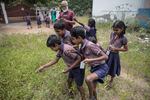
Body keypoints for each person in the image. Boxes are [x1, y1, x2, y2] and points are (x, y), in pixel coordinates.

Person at [36, 35, 86, 100]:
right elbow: (55, 60)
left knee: (79, 85)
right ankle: (71, 93)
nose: (52, 50)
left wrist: (69, 68)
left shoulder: (66, 50)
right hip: (72, 67)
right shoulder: (61, 50)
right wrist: (43, 66)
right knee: (69, 81)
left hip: (79, 66)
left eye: (51, 48)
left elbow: (79, 58)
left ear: (56, 45)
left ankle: (83, 98)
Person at [70, 26, 109, 100]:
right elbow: (83, 56)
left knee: (88, 79)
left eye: (73, 39)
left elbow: (105, 57)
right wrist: (75, 51)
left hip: (102, 67)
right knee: (93, 89)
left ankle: (90, 97)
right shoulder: (82, 45)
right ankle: (94, 98)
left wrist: (90, 60)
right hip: (94, 68)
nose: (72, 41)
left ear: (79, 38)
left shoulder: (90, 45)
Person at [106, 20, 128, 88]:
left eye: (116, 30)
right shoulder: (112, 33)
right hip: (108, 53)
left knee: (113, 68)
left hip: (114, 55)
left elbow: (126, 49)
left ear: (122, 29)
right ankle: (103, 77)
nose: (115, 31)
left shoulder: (124, 39)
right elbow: (110, 42)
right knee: (106, 65)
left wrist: (115, 49)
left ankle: (111, 81)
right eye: (114, 30)